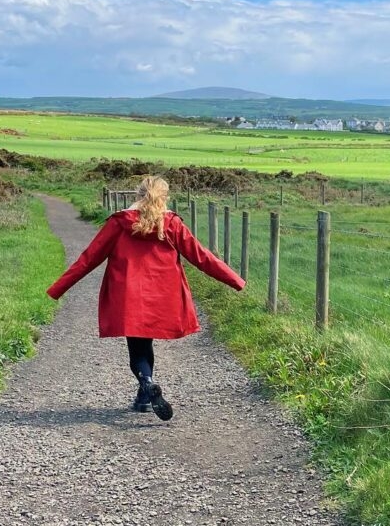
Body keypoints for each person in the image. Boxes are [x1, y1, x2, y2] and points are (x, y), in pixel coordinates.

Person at [46, 176, 245, 421]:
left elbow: (88, 259)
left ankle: (146, 383)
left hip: (127, 294)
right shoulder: (172, 223)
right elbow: (202, 257)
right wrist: (236, 280)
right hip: (162, 295)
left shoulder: (119, 223)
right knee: (145, 343)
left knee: (137, 347)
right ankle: (144, 395)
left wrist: (57, 289)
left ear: (137, 195)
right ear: (165, 197)